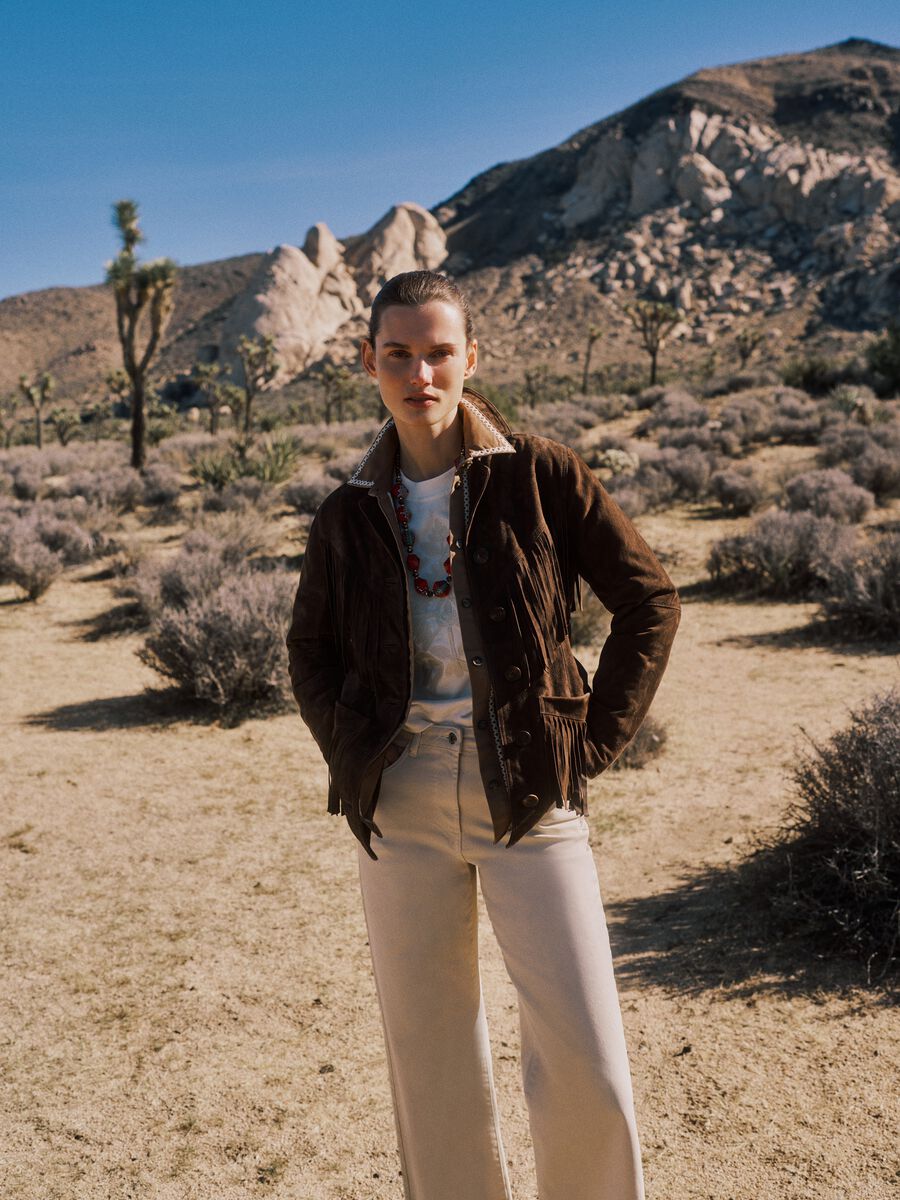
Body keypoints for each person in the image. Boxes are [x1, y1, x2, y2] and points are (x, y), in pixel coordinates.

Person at [286, 269, 681, 1200]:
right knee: (430, 1062)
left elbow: (650, 601)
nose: (420, 374)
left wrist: (588, 744)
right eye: (399, 354)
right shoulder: (348, 510)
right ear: (369, 362)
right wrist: (351, 754)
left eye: (438, 352)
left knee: (586, 1057)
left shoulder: (541, 475)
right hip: (402, 800)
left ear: (471, 358)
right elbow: (309, 650)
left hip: (530, 792)